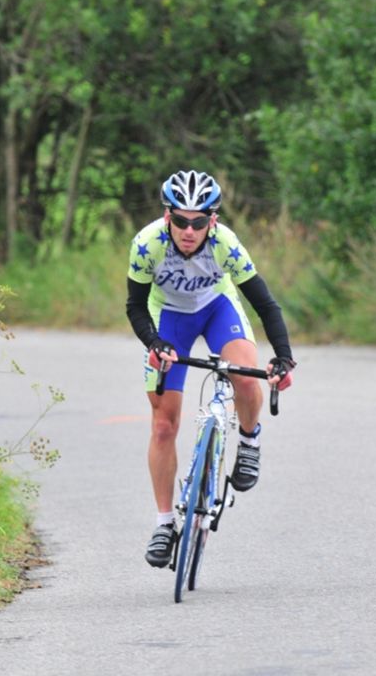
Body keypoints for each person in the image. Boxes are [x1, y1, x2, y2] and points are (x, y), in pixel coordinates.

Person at [125, 170, 296, 568]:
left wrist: (284, 357)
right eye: (180, 220)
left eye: (198, 222)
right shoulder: (146, 244)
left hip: (216, 308)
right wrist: (154, 342)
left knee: (244, 372)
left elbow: (266, 305)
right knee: (164, 425)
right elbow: (134, 305)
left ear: (212, 221)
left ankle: (250, 441)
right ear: (167, 216)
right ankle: (165, 523)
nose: (188, 230)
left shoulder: (226, 244)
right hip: (167, 317)